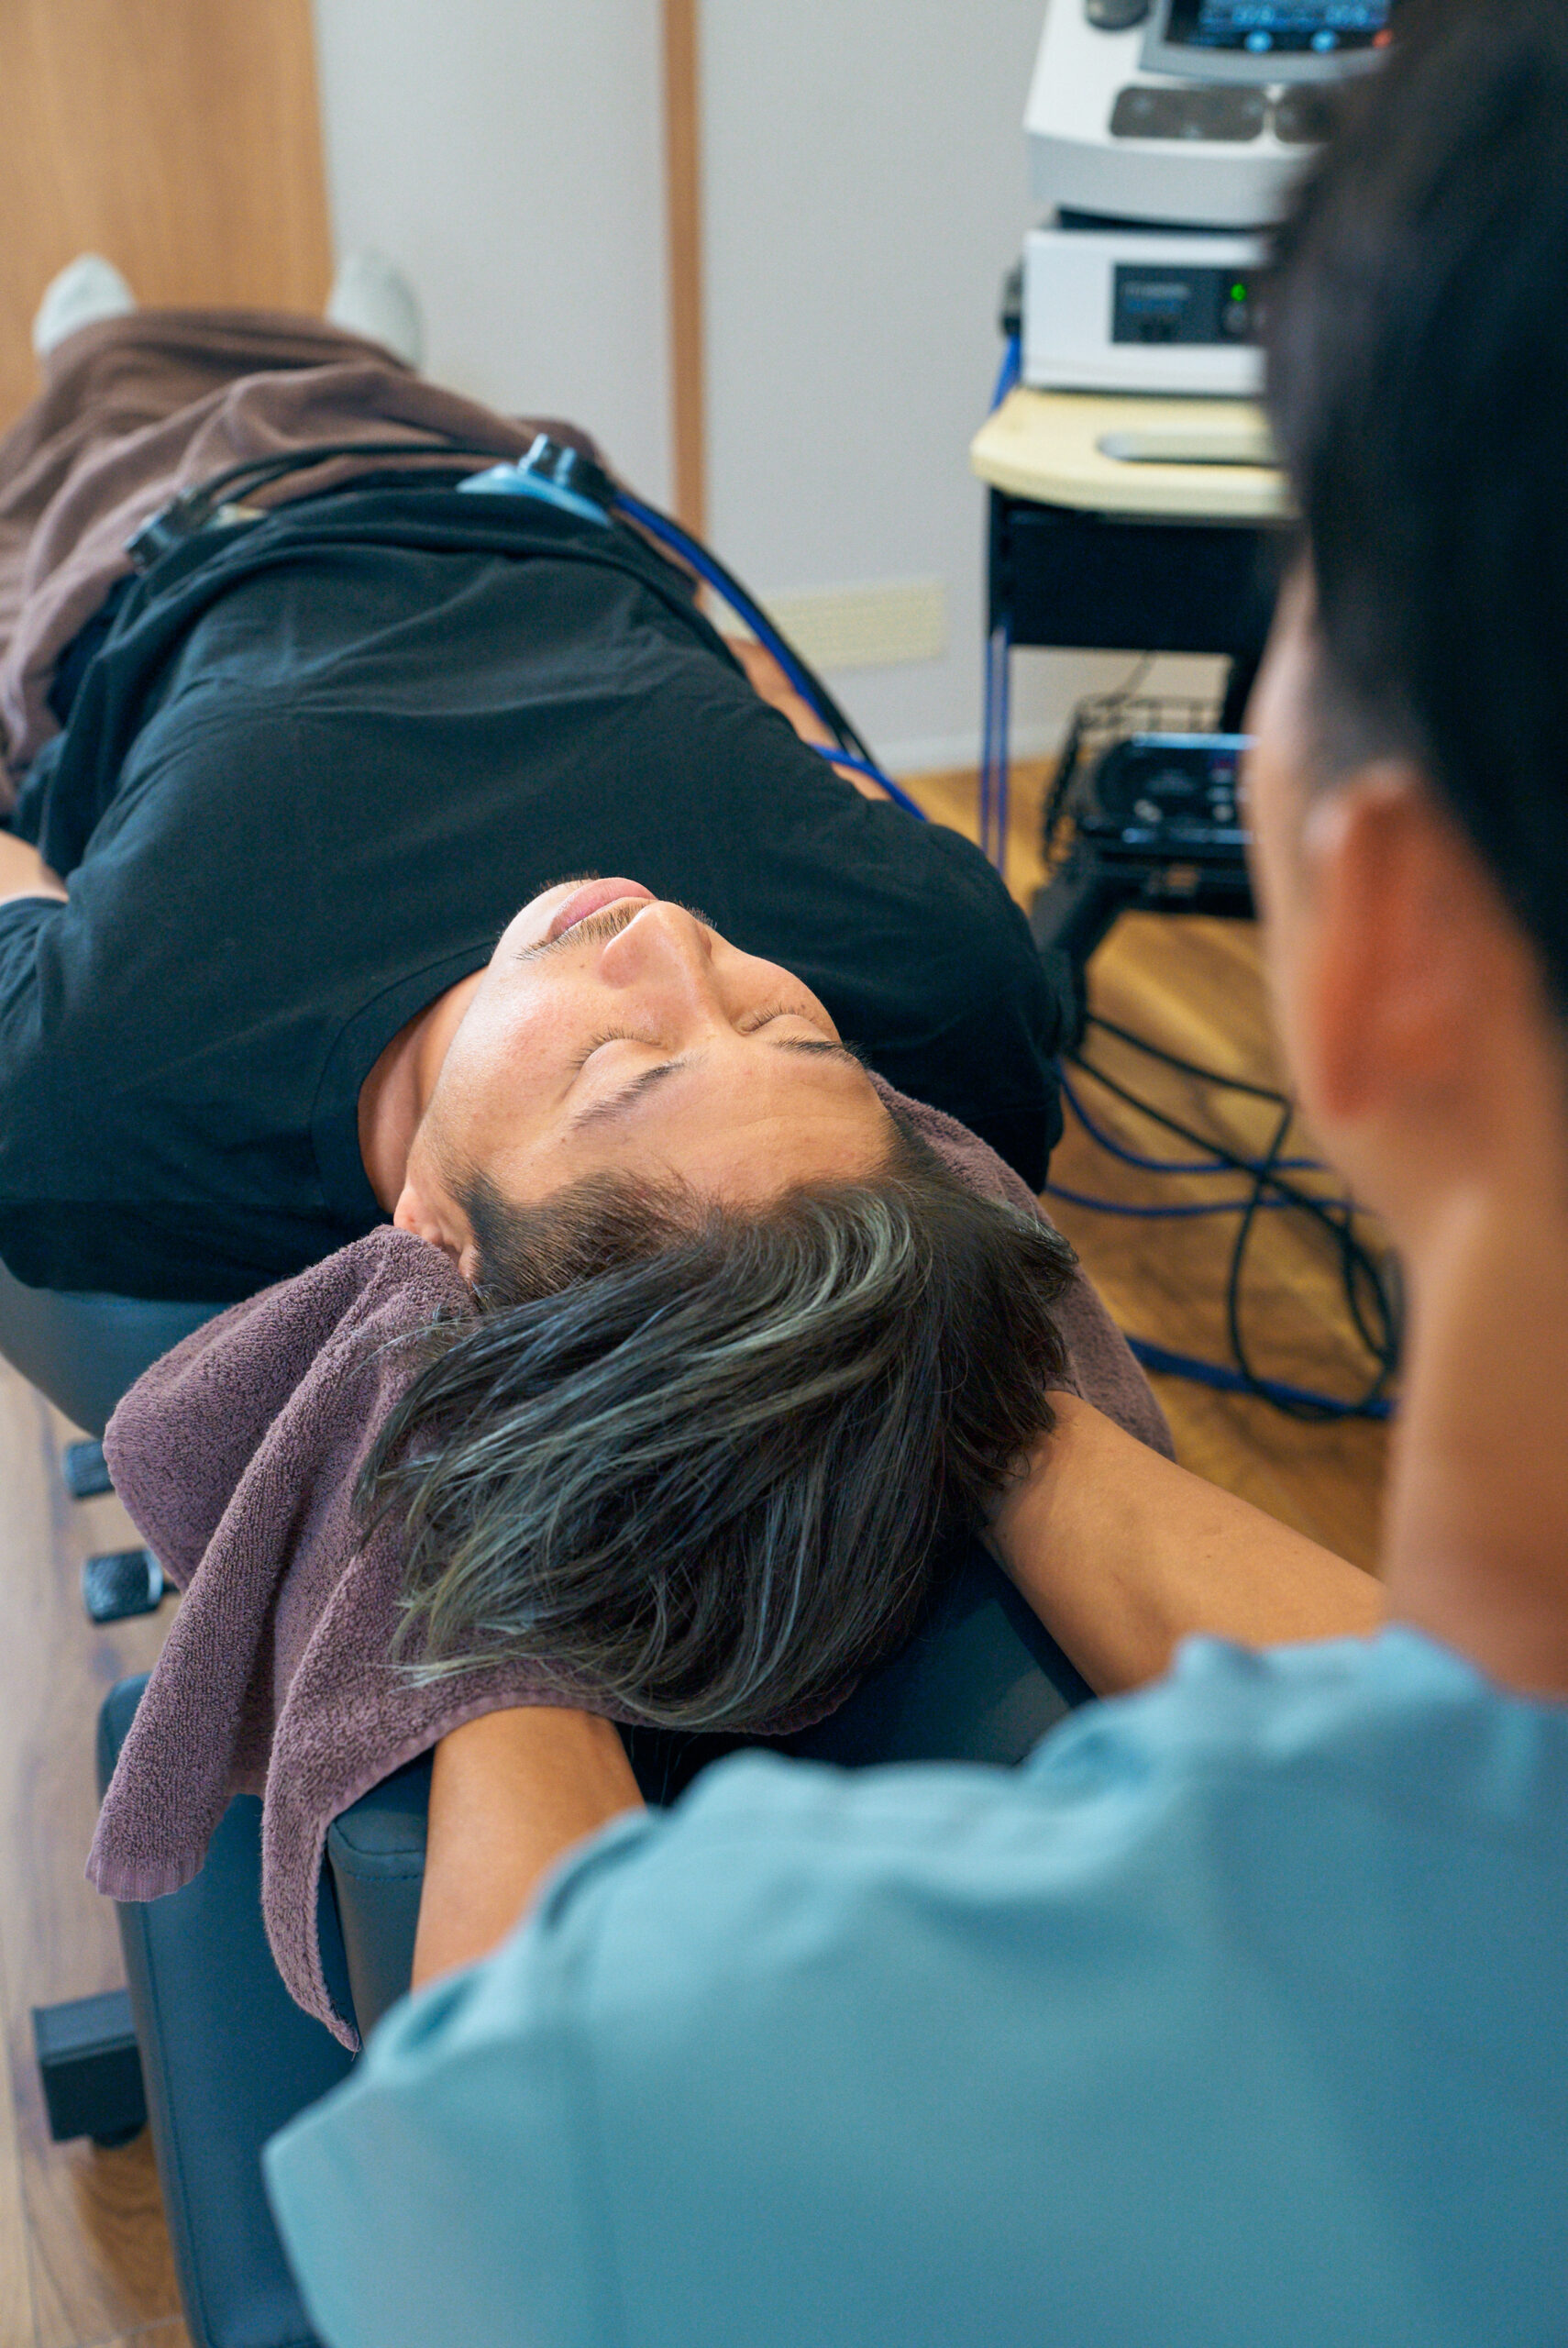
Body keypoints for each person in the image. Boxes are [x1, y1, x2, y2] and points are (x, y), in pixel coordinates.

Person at [263, 2, 1568, 2340]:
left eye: (774, 1029)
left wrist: (823, 1349)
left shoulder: (700, 2094)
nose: (678, 956)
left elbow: (507, 2131)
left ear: (1359, 948)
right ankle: (332, 369)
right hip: (367, 508)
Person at [0, 260, 1066, 1308]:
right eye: (794, 1035)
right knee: (385, 376)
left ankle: (92, 352)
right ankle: (368, 352)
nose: (672, 937)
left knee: (109, 389)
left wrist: (101, 878)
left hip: (174, 534)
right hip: (524, 498)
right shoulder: (947, 996)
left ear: (437, 1231)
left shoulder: (97, 1093)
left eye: (617, 1061)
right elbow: (782, 732)